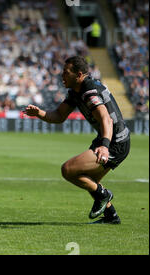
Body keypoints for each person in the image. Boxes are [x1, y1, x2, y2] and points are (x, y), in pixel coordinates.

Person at [24, 56, 130, 224]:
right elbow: (59, 116)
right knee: (89, 181)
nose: (62, 76)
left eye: (66, 73)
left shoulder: (89, 90)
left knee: (68, 170)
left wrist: (104, 146)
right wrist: (39, 113)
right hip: (108, 138)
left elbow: (106, 119)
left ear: (79, 74)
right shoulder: (76, 91)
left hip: (115, 142)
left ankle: (104, 195)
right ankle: (111, 216)